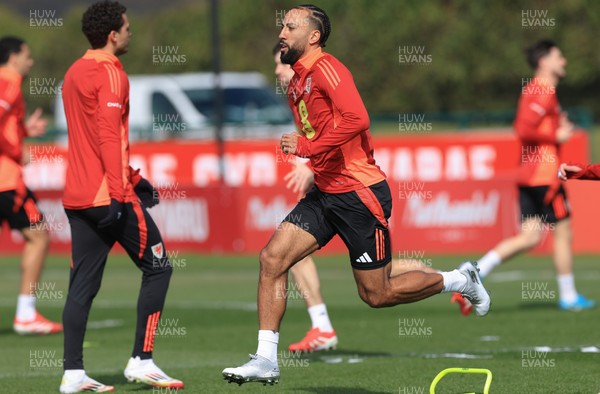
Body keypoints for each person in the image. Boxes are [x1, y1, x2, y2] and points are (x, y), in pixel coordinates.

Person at [223, 4, 490, 386]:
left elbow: (358, 119)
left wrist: (308, 150)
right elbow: (324, 132)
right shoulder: (297, 79)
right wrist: (314, 163)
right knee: (272, 259)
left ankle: (461, 281)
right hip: (326, 192)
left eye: (290, 26)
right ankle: (266, 358)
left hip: (359, 192)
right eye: (282, 25)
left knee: (376, 294)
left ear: (313, 36)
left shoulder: (328, 68)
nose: (281, 32)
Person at [59, 1, 183, 392]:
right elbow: (109, 135)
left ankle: (73, 374)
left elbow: (93, 137)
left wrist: (133, 176)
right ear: (113, 35)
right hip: (108, 196)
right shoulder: (112, 73)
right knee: (159, 266)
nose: (131, 32)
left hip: (77, 197)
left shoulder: (74, 71)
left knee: (81, 286)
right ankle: (141, 361)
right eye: (127, 27)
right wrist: (120, 190)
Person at [453, 39, 595, 316]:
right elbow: (522, 127)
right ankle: (568, 296)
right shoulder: (541, 90)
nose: (563, 60)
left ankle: (472, 273)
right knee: (564, 232)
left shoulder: (539, 90)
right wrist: (555, 135)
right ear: (544, 61)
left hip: (529, 175)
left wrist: (556, 125)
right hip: (544, 174)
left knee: (530, 236)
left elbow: (533, 125)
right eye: (559, 55)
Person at [0, 36, 62, 335]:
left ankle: (26, 314)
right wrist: (15, 150)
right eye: (27, 55)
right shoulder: (8, 81)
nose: (31, 61)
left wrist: (24, 130)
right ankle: (25, 314)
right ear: (13, 57)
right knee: (38, 234)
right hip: (6, 180)